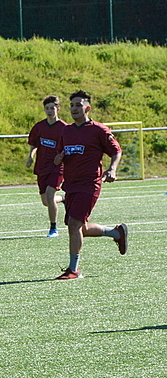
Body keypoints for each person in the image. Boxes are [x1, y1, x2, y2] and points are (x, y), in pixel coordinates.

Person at [52, 90, 128, 280]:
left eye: (78, 105)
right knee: (80, 228)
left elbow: (116, 151)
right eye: (72, 105)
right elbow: (58, 157)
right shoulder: (66, 131)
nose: (74, 108)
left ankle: (73, 270)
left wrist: (112, 169)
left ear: (88, 108)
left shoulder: (98, 130)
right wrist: (58, 158)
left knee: (74, 225)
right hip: (71, 185)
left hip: (89, 184)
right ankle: (116, 233)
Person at [25, 95, 67, 237]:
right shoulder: (39, 126)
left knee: (50, 195)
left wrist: (62, 158)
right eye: (47, 108)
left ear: (58, 109)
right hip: (42, 166)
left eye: (52, 108)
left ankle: (53, 228)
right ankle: (64, 199)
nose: (49, 111)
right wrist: (30, 157)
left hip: (57, 167)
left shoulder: (64, 128)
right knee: (46, 201)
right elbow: (34, 144)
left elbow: (69, 147)